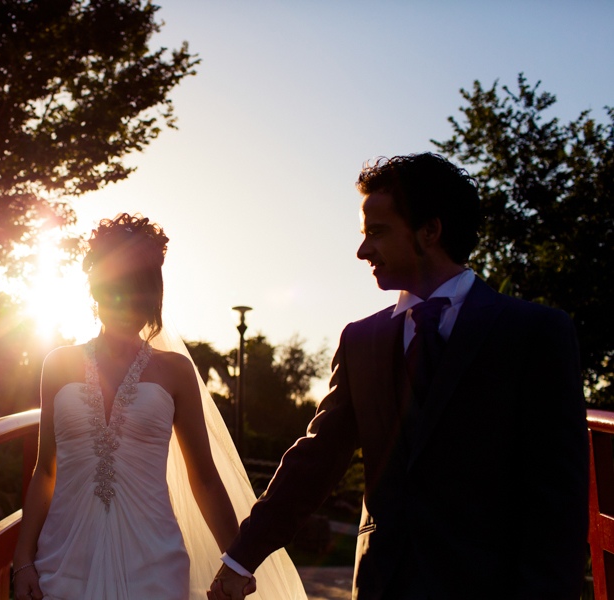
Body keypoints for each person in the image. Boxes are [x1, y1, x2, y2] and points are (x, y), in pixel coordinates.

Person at [209, 153, 589, 599]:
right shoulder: (360, 341)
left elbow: (557, 497)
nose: (362, 249)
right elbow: (316, 460)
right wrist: (240, 558)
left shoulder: (536, 333)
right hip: (381, 585)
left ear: (430, 231)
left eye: (378, 232)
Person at [13, 213, 306, 599]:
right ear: (95, 289)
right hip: (63, 558)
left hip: (154, 562)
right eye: (114, 287)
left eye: (141, 290)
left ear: (155, 296)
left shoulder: (176, 371)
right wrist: (23, 559)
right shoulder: (57, 364)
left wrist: (238, 560)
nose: (126, 301)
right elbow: (45, 469)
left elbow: (204, 477)